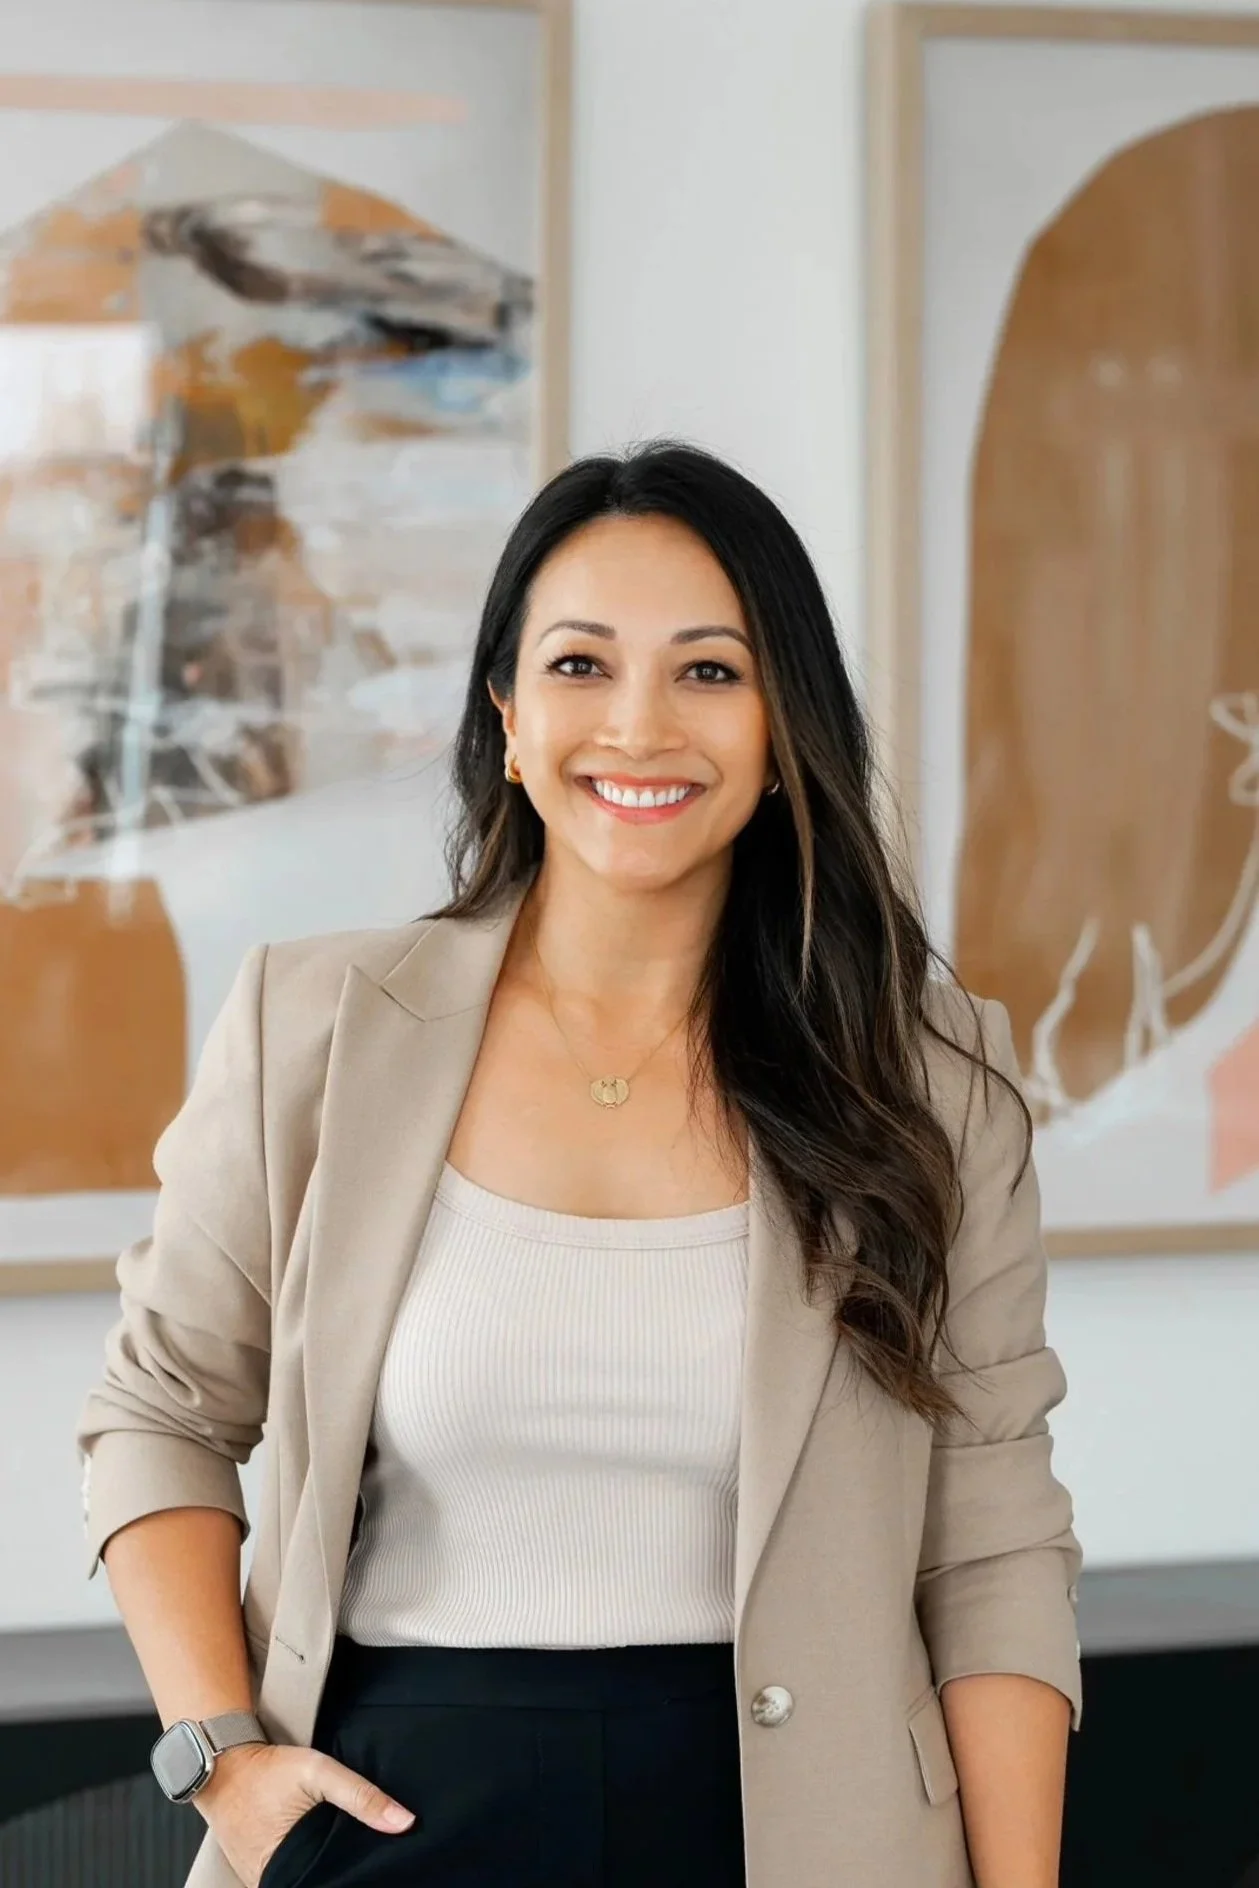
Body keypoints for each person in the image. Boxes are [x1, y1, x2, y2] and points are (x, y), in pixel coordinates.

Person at [77, 441, 1082, 1888]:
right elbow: (161, 1411)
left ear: (785, 723)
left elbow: (990, 1543)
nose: (638, 725)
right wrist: (224, 1761)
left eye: (709, 671)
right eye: (579, 665)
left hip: (808, 1833)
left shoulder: (924, 1077)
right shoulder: (316, 1026)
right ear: (505, 712)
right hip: (387, 1817)